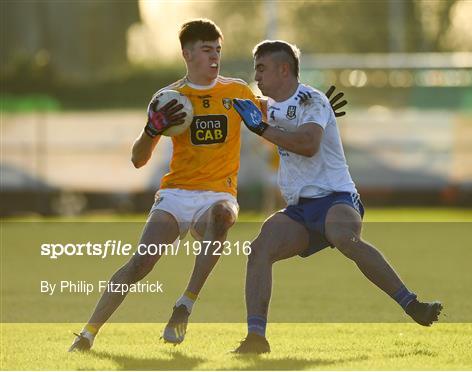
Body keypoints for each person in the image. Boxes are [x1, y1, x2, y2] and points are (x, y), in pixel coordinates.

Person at [69, 20, 347, 352]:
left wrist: (318, 111)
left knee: (222, 216)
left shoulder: (238, 92)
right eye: (206, 50)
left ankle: (185, 303)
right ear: (187, 54)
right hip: (175, 194)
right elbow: (138, 160)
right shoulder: (168, 99)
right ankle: (87, 334)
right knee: (141, 263)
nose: (215, 57)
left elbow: (281, 119)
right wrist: (151, 131)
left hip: (219, 193)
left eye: (218, 49)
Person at [231, 40, 443, 354]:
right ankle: (255, 338)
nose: (257, 76)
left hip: (337, 197)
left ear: (283, 69)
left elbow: (308, 144)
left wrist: (262, 128)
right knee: (260, 248)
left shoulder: (311, 99)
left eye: (262, 68)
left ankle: (412, 304)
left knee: (343, 236)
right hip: (300, 210)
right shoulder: (271, 106)